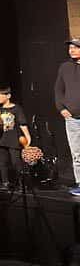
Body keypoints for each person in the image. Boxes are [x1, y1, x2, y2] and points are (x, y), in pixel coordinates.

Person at [53, 38, 80, 197]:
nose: (72, 50)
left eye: (75, 47)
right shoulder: (64, 67)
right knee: (77, 153)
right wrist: (61, 108)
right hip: (73, 119)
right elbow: (58, 90)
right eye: (70, 48)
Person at [0, 86, 30, 190]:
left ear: (8, 96)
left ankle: (22, 183)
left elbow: (23, 124)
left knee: (16, 162)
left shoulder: (16, 108)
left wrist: (28, 137)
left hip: (14, 139)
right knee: (3, 163)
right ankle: (5, 183)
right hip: (1, 139)